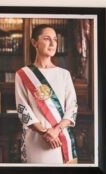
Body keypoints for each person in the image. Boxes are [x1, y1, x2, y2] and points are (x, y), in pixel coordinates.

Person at [14, 25, 79, 164]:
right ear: (34, 42)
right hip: (36, 139)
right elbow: (23, 108)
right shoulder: (23, 74)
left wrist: (56, 131)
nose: (52, 43)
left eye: (55, 39)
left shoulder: (64, 74)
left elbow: (72, 107)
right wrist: (44, 132)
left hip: (60, 137)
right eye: (47, 39)